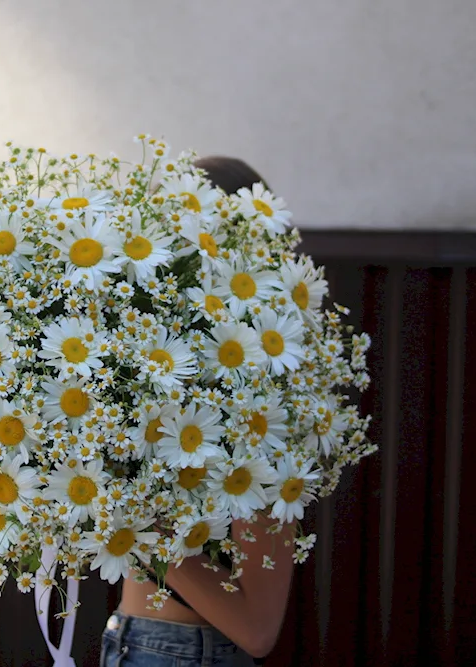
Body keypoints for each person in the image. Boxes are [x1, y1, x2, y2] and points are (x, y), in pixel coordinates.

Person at [99, 157, 295, 667]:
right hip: (132, 639)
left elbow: (258, 629)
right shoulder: (157, 366)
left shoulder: (262, 402)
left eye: (178, 230)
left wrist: (133, 529)